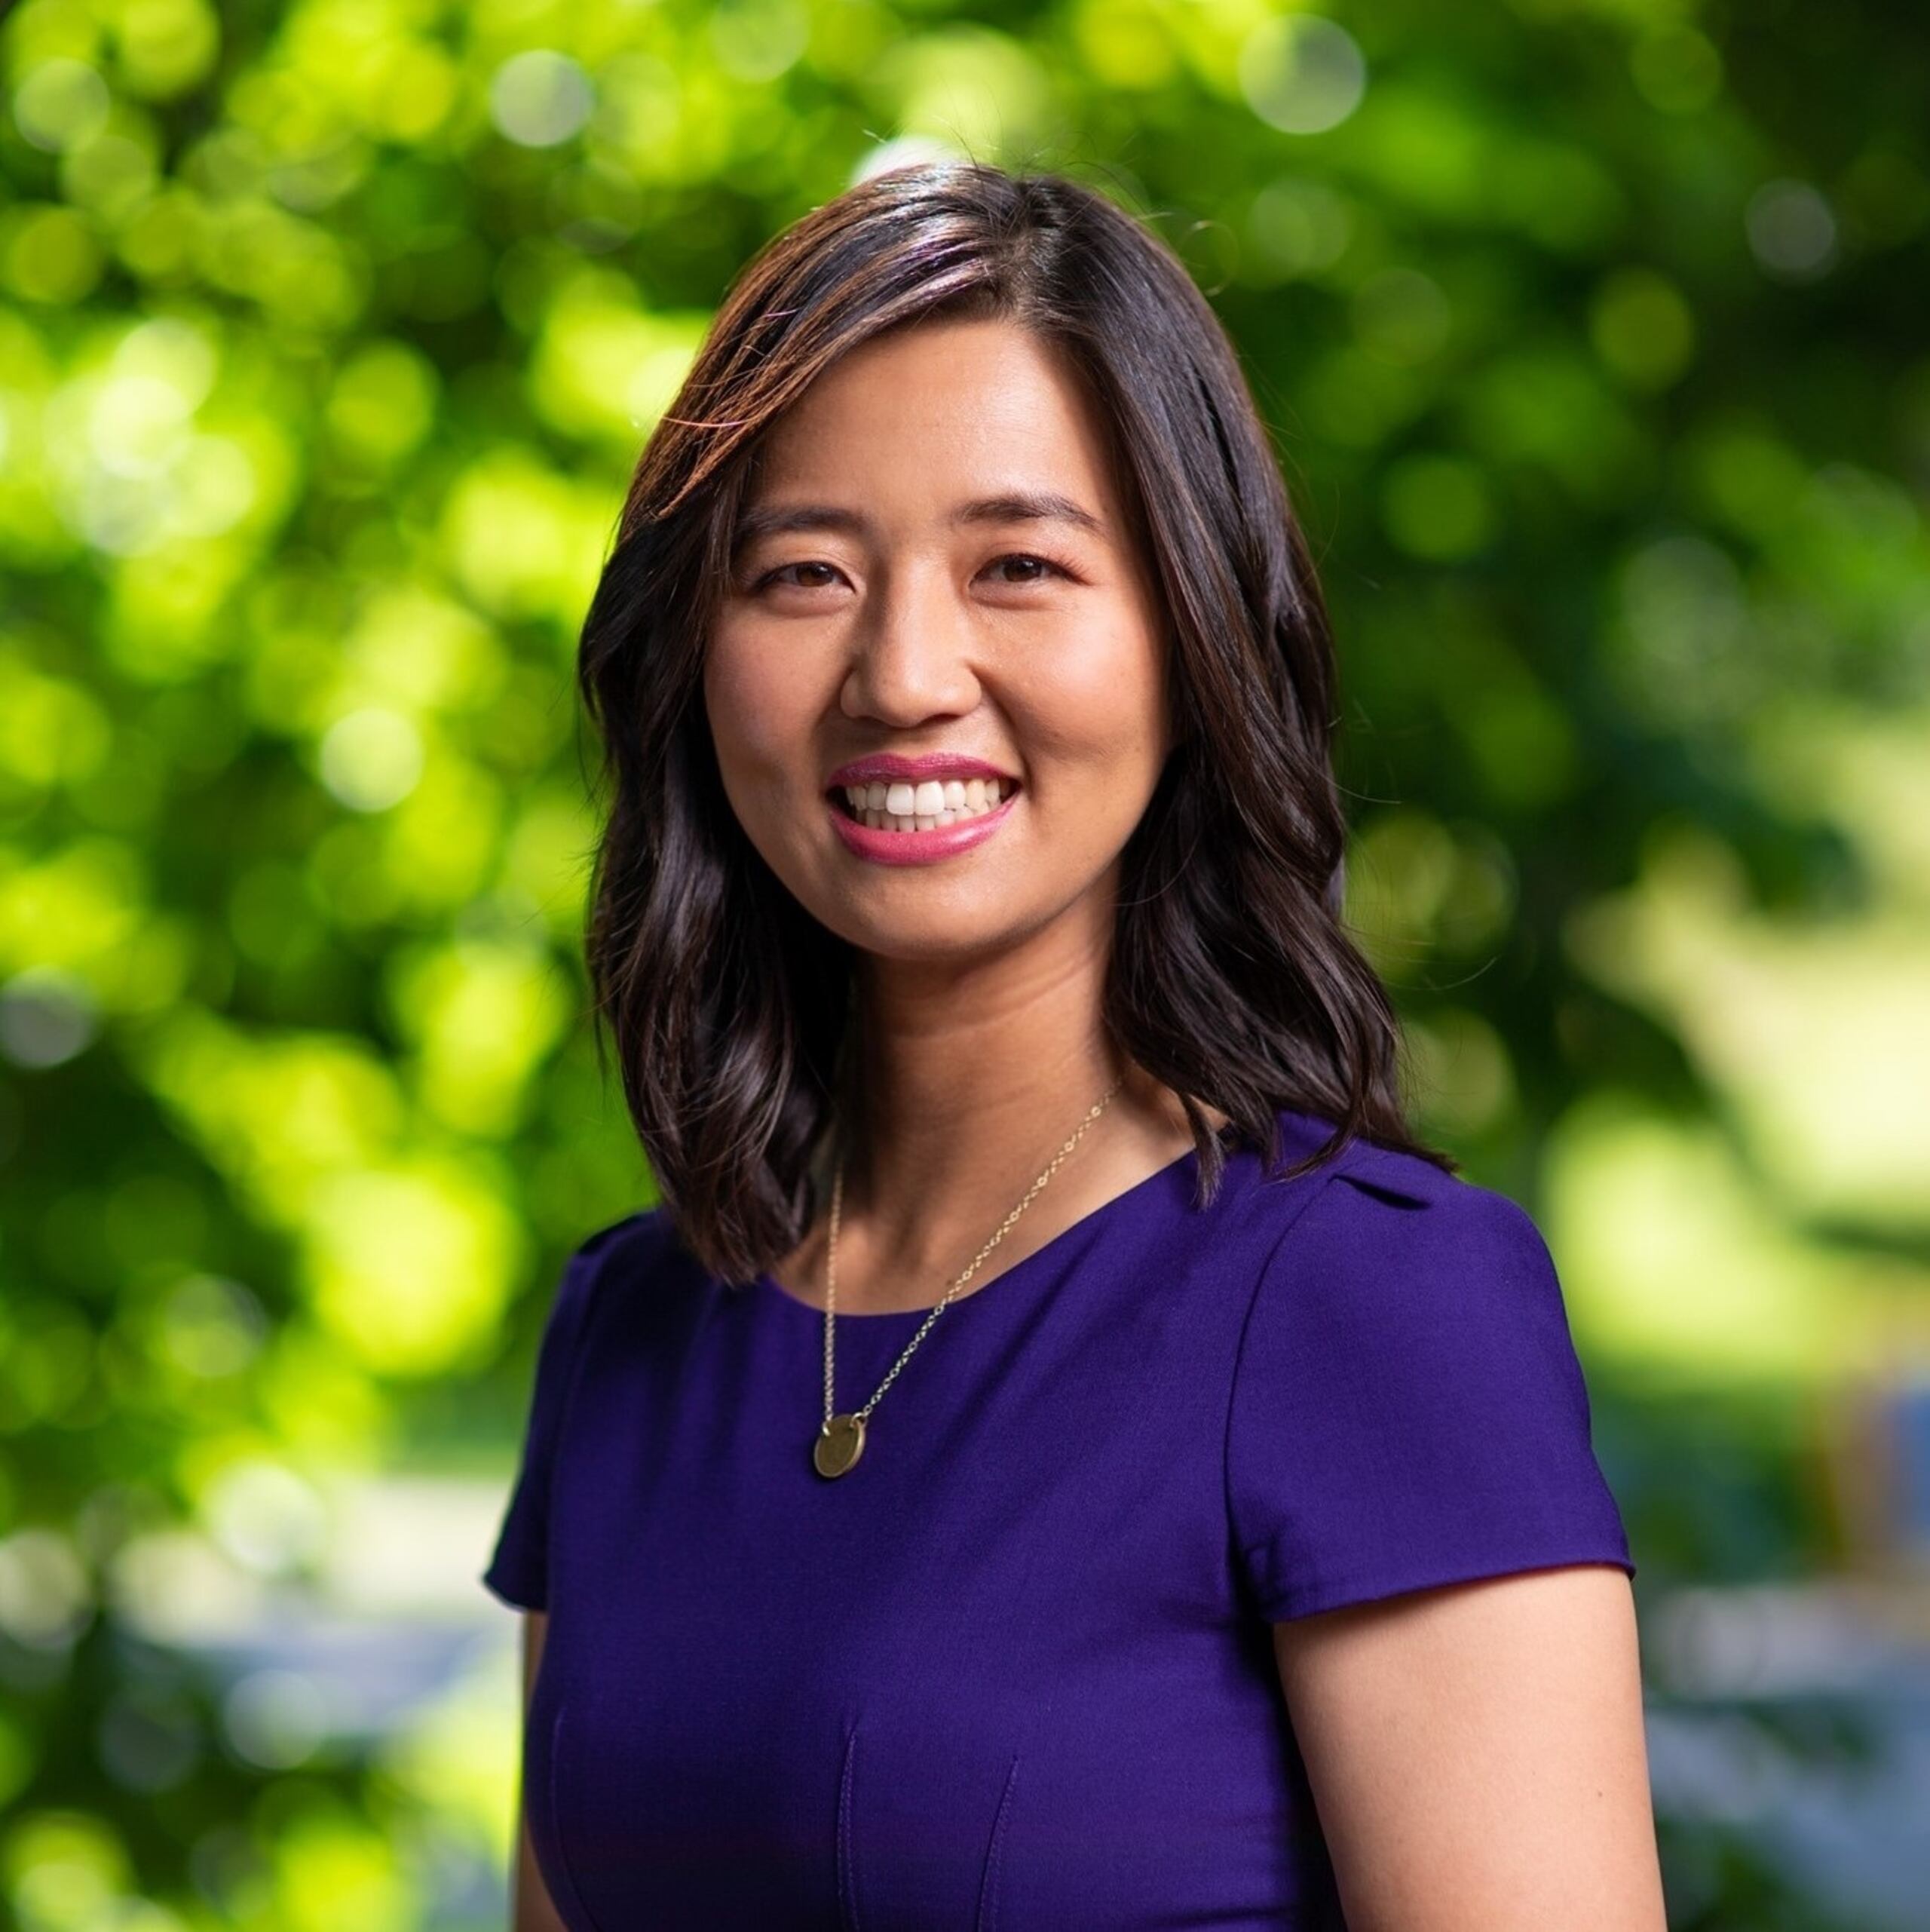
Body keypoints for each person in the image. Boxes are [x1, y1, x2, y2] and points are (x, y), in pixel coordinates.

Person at [482, 161, 1665, 1930]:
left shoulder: (1368, 1309)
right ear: (691, 654)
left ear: (1189, 636)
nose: (903, 672)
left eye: (1018, 564)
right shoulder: (630, 1334)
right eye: (802, 572)